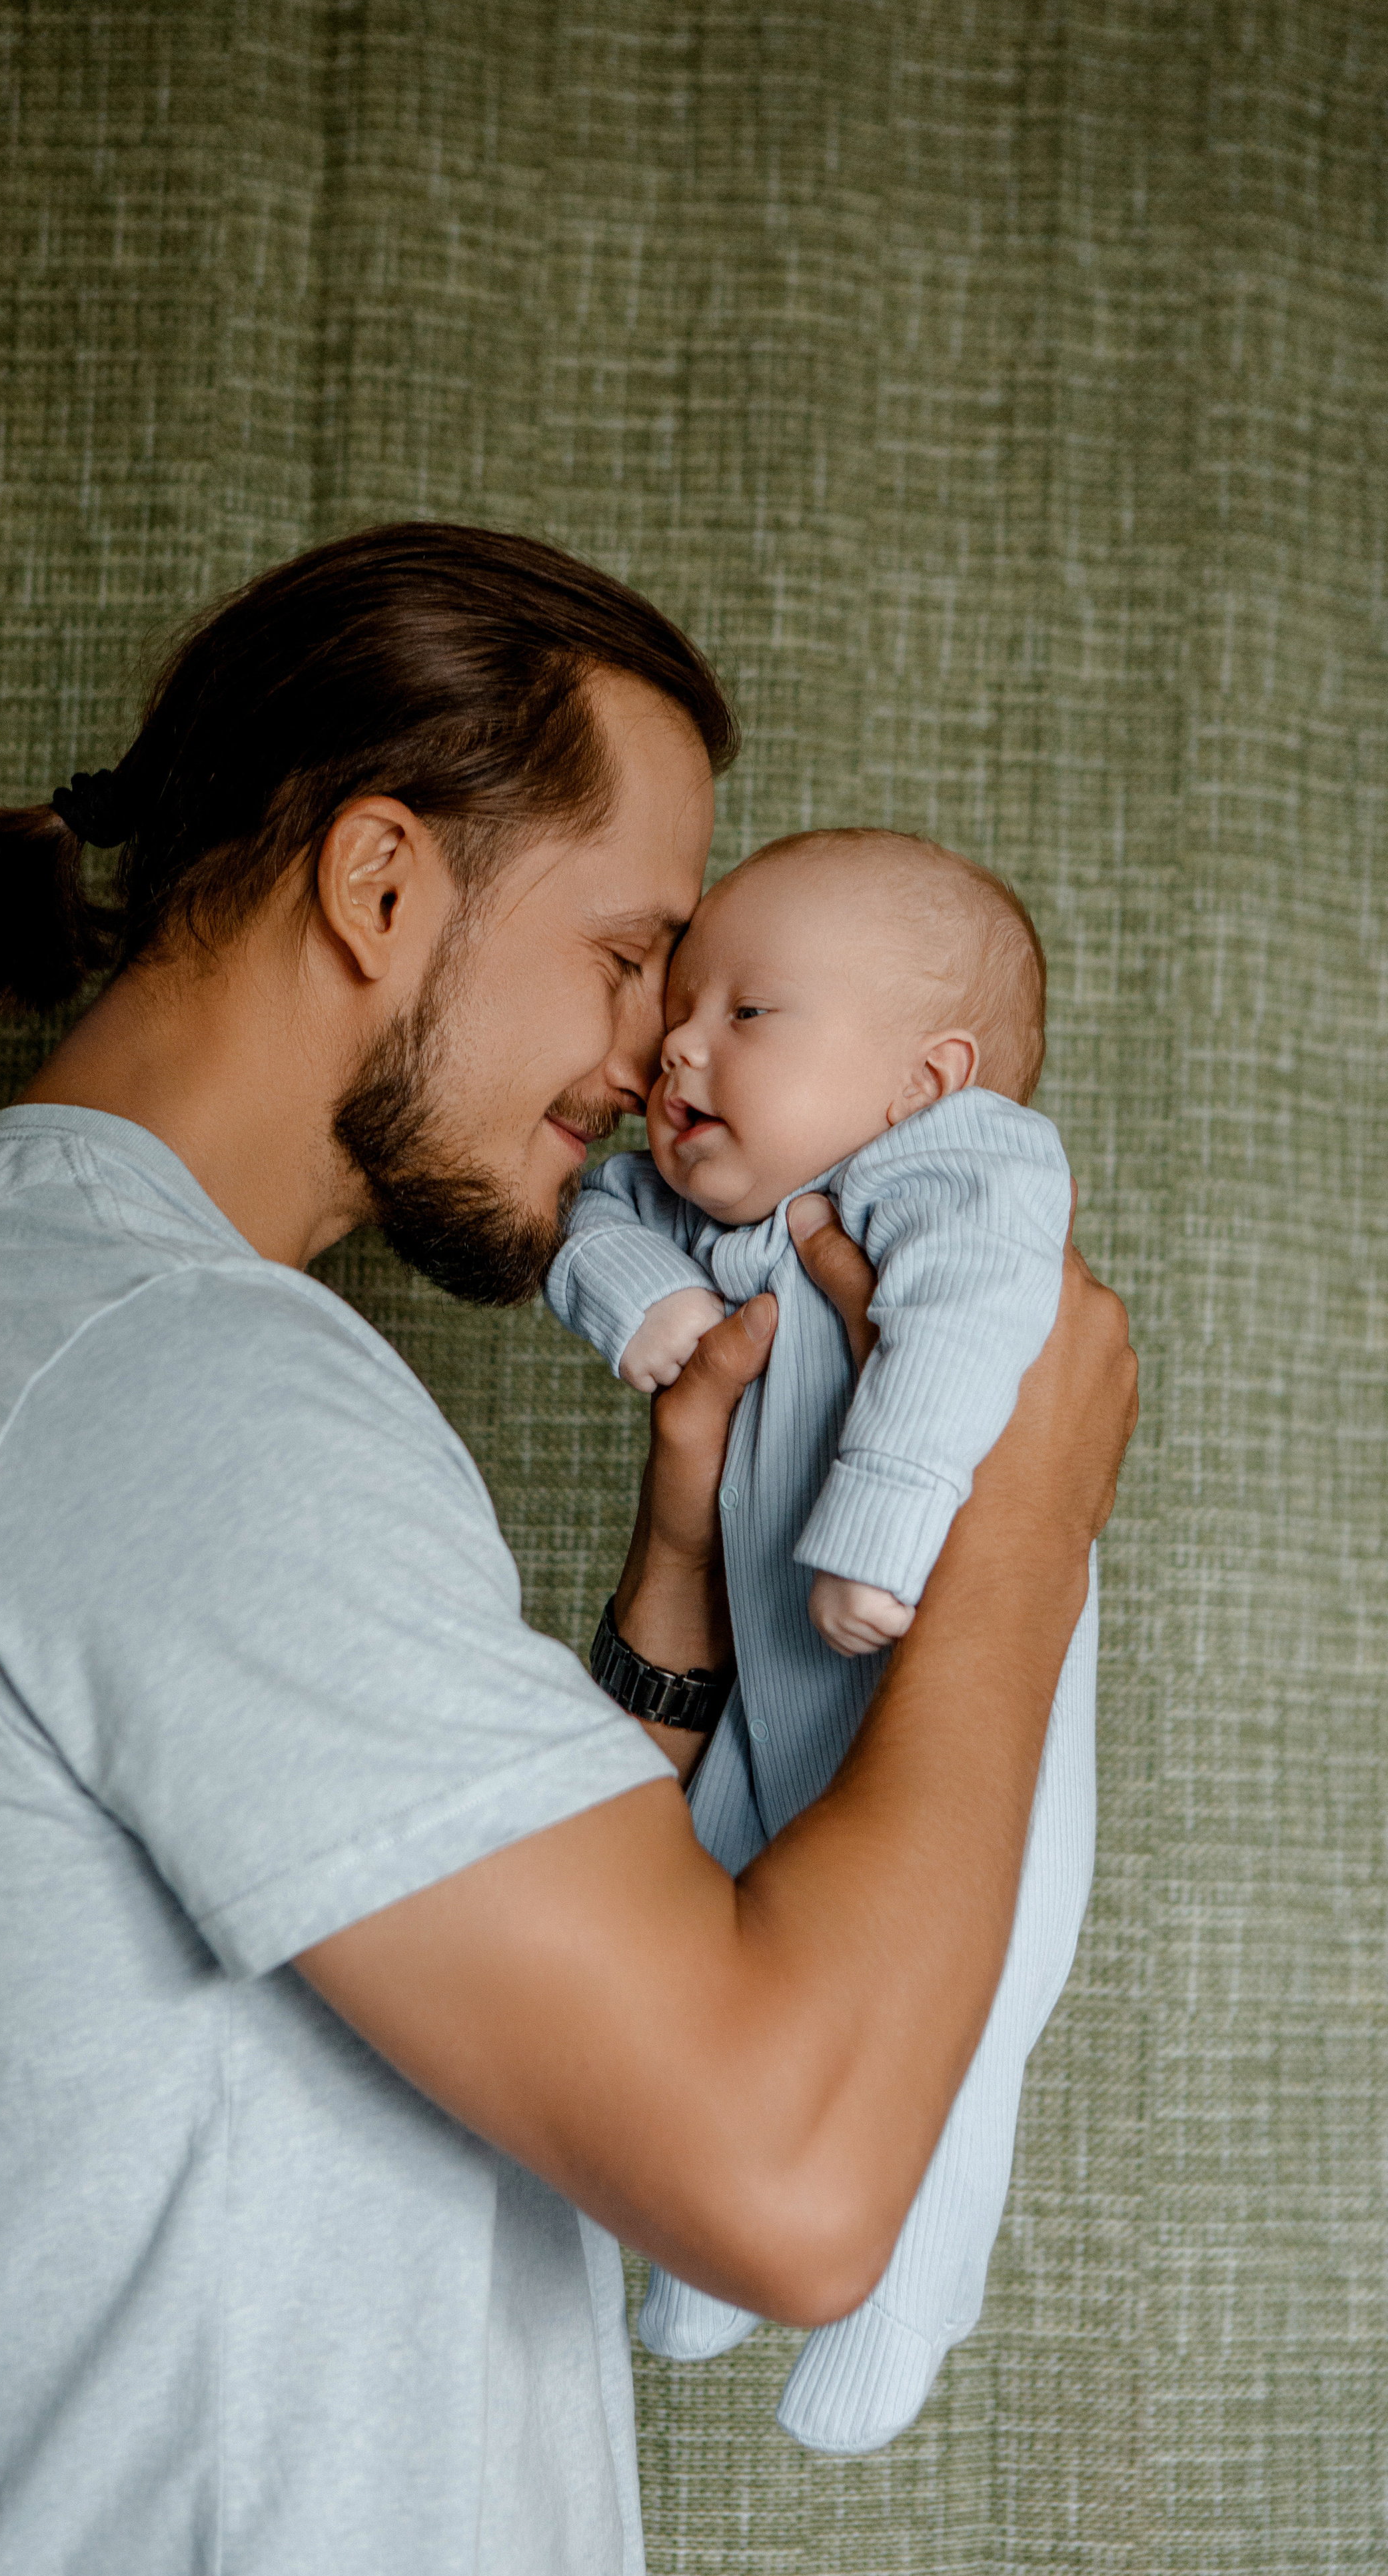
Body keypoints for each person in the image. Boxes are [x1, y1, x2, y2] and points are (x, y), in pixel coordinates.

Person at [0, 524, 1136, 2576]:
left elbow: (484, 1962)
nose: (652, 1058)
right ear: (381, 881)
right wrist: (1024, 1517)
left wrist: (679, 1572)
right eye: (624, 956)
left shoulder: (61, 1318)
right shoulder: (169, 1369)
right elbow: (789, 2179)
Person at [546, 827, 1095, 2453]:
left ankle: (917, 2288)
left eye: (747, 1011)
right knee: (719, 1911)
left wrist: (883, 1516)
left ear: (926, 1079)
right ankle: (713, 2244)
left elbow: (981, 1318)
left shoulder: (958, 1167)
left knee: (965, 2000)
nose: (673, 1044)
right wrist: (639, 1295)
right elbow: (585, 1211)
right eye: (679, 999)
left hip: (970, 1681)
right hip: (775, 1686)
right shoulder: (720, 1207)